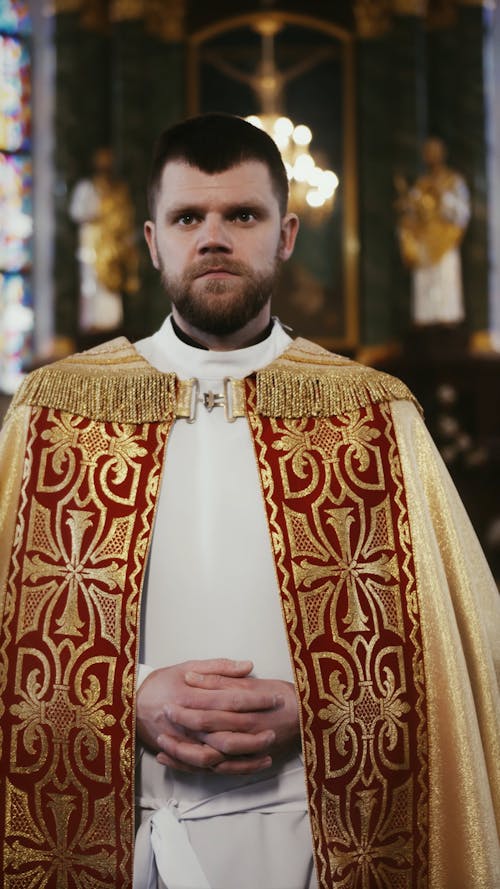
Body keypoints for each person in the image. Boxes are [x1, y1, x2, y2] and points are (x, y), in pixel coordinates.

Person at [0, 114, 498, 889]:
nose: (214, 237)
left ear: (287, 233)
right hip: (123, 836)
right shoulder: (58, 412)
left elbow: (461, 656)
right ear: (151, 239)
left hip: (316, 836)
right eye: (188, 217)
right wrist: (125, 695)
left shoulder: (374, 415)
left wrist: (323, 702)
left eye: (243, 215)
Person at [395, 136, 470, 327]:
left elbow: (461, 212)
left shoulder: (453, 181)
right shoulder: (421, 184)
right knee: (425, 282)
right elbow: (413, 211)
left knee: (445, 278)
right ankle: (426, 319)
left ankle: (447, 319)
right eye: (428, 152)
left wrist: (442, 196)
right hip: (425, 241)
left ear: (442, 153)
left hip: (444, 239)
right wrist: (407, 208)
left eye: (435, 151)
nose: (431, 156)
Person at [69, 146, 139, 334]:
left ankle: (110, 324)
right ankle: (92, 324)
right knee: (91, 284)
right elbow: (77, 212)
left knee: (112, 286)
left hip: (111, 246)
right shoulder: (87, 188)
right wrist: (99, 211)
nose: (105, 167)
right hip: (92, 244)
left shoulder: (118, 190)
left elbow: (125, 216)